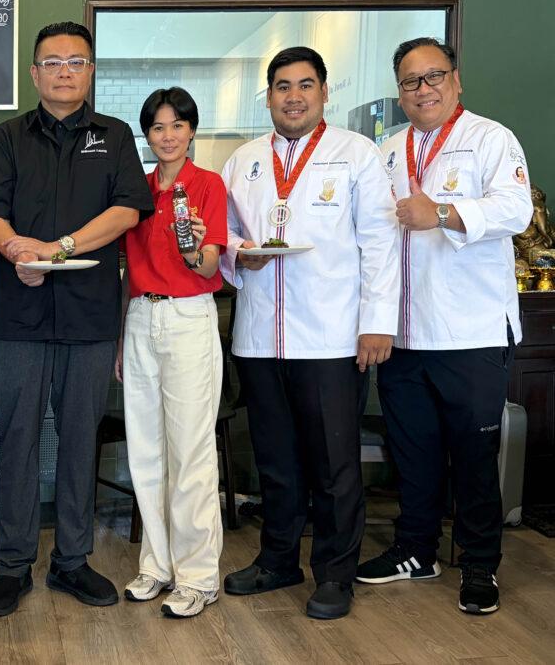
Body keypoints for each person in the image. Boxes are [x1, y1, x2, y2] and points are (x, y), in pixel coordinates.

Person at [0, 21, 153, 617]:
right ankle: (13, 566)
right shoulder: (7, 137)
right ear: (34, 73)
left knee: (78, 441)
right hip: (19, 315)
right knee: (17, 439)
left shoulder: (115, 135)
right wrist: (18, 251)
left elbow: (126, 212)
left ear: (91, 71)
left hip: (89, 316)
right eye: (52, 62)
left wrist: (58, 249)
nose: (65, 71)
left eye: (76, 61)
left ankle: (72, 561)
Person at [218, 47, 399, 620]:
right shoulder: (243, 161)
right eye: (282, 86)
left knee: (333, 463)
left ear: (323, 92)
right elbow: (224, 233)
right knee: (274, 459)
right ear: (268, 96)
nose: (293, 96)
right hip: (259, 338)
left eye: (304, 85)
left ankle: (336, 573)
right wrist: (237, 254)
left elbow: (381, 243)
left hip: (331, 337)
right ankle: (278, 560)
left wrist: (377, 323)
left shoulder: (356, 154)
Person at [356, 38, 532, 616]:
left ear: (456, 80)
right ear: (400, 92)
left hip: (470, 332)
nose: (423, 89)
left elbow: (516, 209)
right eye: (411, 81)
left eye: (433, 76)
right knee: (414, 452)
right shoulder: (387, 151)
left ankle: (479, 564)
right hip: (404, 333)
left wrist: (443, 212)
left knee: (474, 456)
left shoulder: (490, 138)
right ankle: (416, 550)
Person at [115, 87, 226, 618]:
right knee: (146, 451)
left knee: (190, 452)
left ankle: (198, 576)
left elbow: (210, 266)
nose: (168, 136)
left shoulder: (208, 185)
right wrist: (121, 336)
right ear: (147, 134)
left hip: (187, 318)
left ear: (192, 131)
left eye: (178, 125)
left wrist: (195, 249)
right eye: (158, 127)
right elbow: (124, 272)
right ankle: (156, 565)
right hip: (141, 316)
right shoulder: (135, 192)